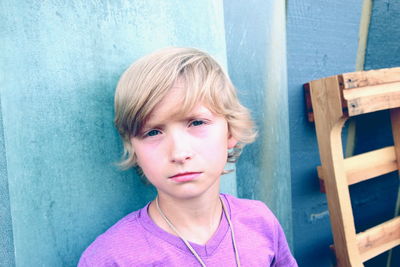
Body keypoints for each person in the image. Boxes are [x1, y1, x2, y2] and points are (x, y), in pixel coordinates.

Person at [78, 47, 297, 266]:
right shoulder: (110, 257)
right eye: (152, 132)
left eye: (197, 122)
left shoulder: (260, 221)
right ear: (134, 150)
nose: (179, 153)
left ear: (230, 132)